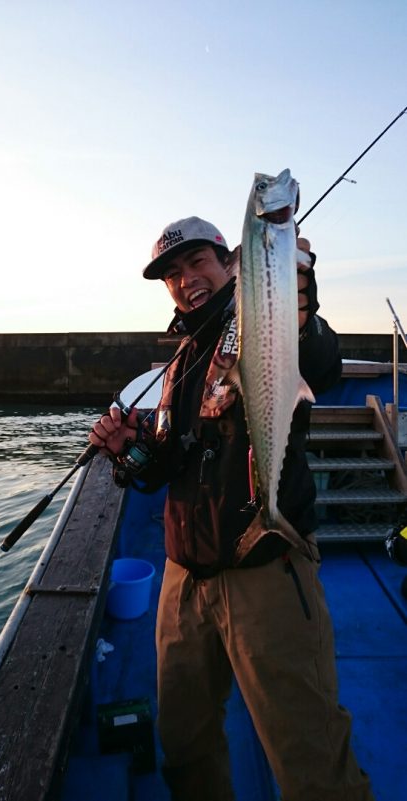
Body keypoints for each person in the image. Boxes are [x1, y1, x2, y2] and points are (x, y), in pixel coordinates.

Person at [89, 216, 375, 801]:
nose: (187, 280)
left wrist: (297, 292)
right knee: (185, 746)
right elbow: (164, 468)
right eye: (172, 274)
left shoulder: (262, 326)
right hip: (183, 583)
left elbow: (318, 355)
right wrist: (130, 451)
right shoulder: (178, 366)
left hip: (266, 573)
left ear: (229, 263)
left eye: (197, 263)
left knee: (310, 760)